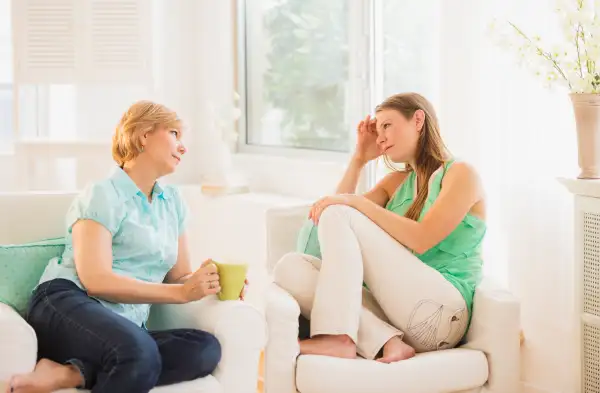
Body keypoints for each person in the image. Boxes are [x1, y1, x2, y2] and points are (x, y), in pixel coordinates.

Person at [8, 100, 245, 393]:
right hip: (67, 302)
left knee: (205, 348)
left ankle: (75, 374)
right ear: (144, 134)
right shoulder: (102, 194)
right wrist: (181, 292)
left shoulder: (173, 202)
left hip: (124, 324)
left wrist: (208, 280)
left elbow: (179, 276)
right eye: (174, 133)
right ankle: (102, 363)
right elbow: (96, 280)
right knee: (139, 353)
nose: (183, 147)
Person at [273, 92, 486, 363]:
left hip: (442, 314)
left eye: (387, 125)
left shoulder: (461, 174)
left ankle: (338, 338)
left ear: (418, 120)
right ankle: (385, 340)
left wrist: (354, 203)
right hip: (397, 317)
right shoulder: (395, 183)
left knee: (344, 210)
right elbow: (326, 217)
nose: (381, 136)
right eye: (378, 128)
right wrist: (359, 160)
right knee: (289, 267)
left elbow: (422, 239)